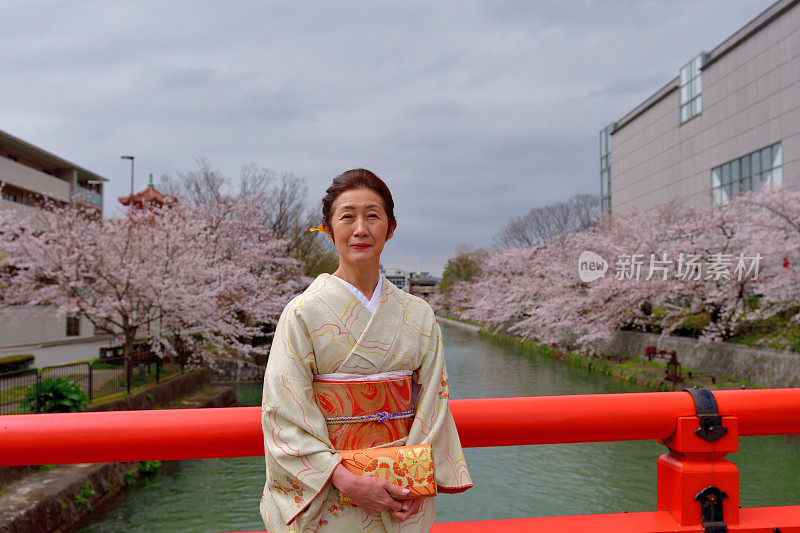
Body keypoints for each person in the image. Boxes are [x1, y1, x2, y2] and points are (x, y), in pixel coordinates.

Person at [260, 169, 472, 532]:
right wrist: (346, 479)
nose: (360, 229)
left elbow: (433, 402)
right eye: (347, 216)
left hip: (401, 491)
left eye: (372, 216)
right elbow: (283, 413)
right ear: (328, 229)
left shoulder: (418, 315)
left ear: (390, 228)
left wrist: (413, 480)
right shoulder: (302, 313)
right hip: (330, 493)